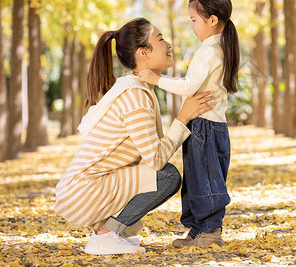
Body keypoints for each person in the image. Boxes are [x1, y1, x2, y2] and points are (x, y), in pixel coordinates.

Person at [54, 17, 215, 255]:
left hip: (83, 189)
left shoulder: (137, 90)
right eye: (160, 39)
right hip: (82, 192)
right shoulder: (135, 96)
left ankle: (110, 232)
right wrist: (183, 118)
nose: (168, 44)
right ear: (142, 53)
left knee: (165, 175)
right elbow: (156, 160)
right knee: (167, 176)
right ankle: (106, 235)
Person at [137, 0, 239, 248]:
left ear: (212, 20)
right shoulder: (220, 48)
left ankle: (211, 231)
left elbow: (188, 87)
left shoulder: (209, 51)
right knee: (197, 178)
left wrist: (156, 79)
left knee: (205, 178)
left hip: (204, 125)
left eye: (194, 20)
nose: (192, 26)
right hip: (209, 125)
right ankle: (198, 231)